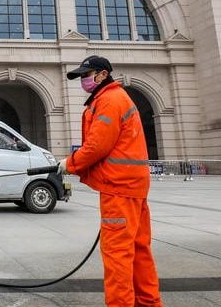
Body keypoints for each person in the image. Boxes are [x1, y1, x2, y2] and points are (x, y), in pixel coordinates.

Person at [59, 55, 163, 307]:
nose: (83, 80)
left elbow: (97, 146)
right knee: (139, 250)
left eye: (86, 75)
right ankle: (149, 303)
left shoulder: (108, 100)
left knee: (117, 253)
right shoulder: (116, 98)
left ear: (103, 74)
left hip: (119, 188)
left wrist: (68, 164)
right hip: (133, 186)